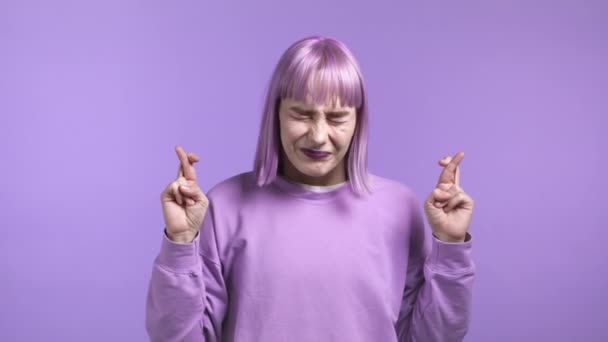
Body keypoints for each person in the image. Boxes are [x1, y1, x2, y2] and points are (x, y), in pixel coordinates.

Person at [145, 36, 475, 342]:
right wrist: (180, 244)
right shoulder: (226, 205)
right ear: (276, 114)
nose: (318, 136)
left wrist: (450, 247)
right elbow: (177, 336)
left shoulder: (399, 208)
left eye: (336, 118)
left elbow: (432, 337)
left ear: (358, 121)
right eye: (301, 114)